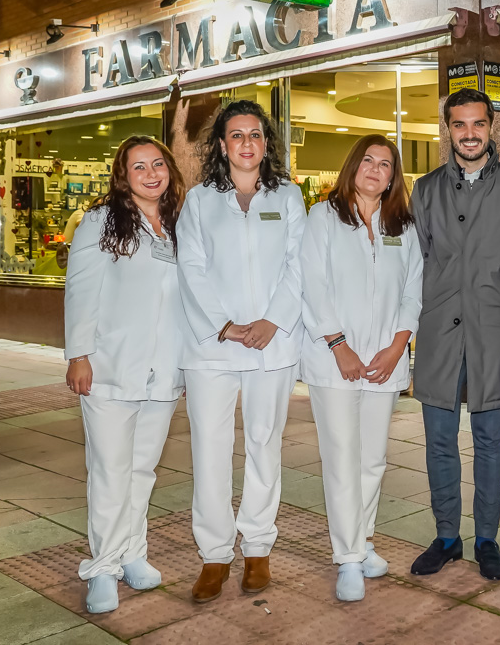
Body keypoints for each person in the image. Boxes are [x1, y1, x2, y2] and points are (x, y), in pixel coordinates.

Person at [176, 99, 306, 603]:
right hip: (214, 346)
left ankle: (257, 548)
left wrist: (274, 320)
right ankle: (214, 554)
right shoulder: (200, 201)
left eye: (255, 134)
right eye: (236, 135)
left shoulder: (288, 196)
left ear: (266, 143)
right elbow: (191, 267)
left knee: (264, 443)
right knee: (210, 449)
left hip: (273, 343)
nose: (246, 143)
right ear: (222, 144)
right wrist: (224, 325)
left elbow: (298, 264)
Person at [408, 88, 500, 581]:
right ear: (448, 129)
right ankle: (447, 537)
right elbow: (416, 262)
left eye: (478, 124)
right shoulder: (425, 190)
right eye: (459, 124)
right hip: (440, 334)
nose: (469, 133)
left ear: (491, 127)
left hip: (494, 335)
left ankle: (487, 538)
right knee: (439, 442)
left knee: (490, 442)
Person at [63, 136, 186, 614]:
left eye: (158, 164)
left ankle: (133, 552)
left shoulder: (178, 225)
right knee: (110, 472)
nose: (151, 174)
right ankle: (103, 567)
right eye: (139, 167)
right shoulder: (101, 221)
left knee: (141, 471)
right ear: (123, 175)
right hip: (110, 368)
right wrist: (79, 354)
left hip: (163, 371)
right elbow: (81, 291)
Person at [300, 135, 422, 602]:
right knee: (342, 458)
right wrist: (338, 344)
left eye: (385, 164)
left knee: (373, 459)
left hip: (384, 361)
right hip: (335, 361)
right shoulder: (323, 218)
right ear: (353, 166)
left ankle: (363, 539)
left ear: (393, 177)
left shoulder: (402, 225)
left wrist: (397, 347)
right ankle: (348, 557)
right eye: (367, 160)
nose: (375, 169)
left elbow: (413, 290)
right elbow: (312, 285)